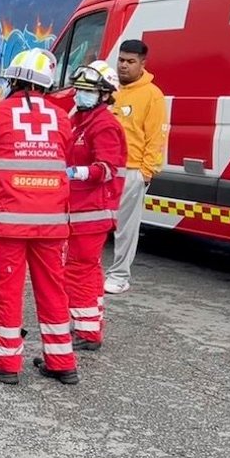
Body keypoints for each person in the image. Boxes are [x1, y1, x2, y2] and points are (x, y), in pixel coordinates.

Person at [0, 48, 78, 385]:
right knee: (53, 291)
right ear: (46, 84)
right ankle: (63, 362)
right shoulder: (61, 117)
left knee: (7, 293)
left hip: (6, 222)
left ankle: (7, 364)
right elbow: (65, 155)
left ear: (12, 80)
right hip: (52, 225)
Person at [65, 61, 128, 351]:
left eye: (88, 90)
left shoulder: (104, 125)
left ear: (105, 94)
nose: (80, 94)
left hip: (92, 211)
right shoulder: (79, 119)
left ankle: (87, 333)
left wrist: (73, 172)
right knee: (87, 270)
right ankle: (89, 326)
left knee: (78, 270)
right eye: (79, 89)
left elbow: (106, 168)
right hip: (78, 210)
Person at [105, 39, 167, 295]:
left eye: (130, 62)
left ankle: (119, 276)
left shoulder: (152, 95)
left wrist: (145, 172)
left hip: (131, 170)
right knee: (94, 222)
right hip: (105, 168)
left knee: (126, 227)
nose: (124, 66)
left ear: (143, 64)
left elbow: (156, 137)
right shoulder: (110, 89)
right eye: (121, 60)